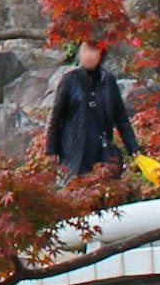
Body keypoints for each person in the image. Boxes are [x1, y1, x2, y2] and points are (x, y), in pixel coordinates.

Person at [47, 40, 141, 180]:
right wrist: (51, 149)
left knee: (106, 187)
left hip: (102, 149)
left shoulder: (108, 81)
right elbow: (56, 116)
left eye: (93, 51)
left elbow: (121, 118)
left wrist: (133, 148)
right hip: (75, 149)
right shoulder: (69, 80)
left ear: (101, 53)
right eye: (85, 50)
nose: (88, 55)